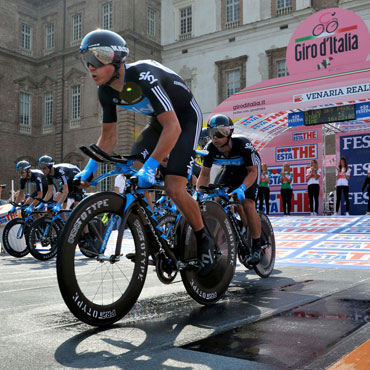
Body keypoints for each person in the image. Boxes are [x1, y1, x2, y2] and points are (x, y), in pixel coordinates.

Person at [75, 29, 214, 276]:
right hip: (159, 122)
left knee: (173, 187)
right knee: (134, 168)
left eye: (96, 60)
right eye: (87, 62)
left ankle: (204, 240)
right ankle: (151, 239)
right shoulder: (105, 91)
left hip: (184, 119)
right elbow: (108, 138)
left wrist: (152, 167)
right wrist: (88, 170)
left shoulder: (143, 76)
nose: (91, 68)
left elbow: (173, 126)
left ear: (116, 59)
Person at [197, 114, 262, 265]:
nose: (216, 137)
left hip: (248, 171)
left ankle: (257, 246)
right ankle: (232, 229)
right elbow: (204, 174)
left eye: (221, 132)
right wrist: (198, 193)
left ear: (230, 133)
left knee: (247, 203)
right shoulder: (210, 148)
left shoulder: (242, 144)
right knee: (217, 200)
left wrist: (243, 187)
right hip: (229, 170)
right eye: (212, 133)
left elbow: (253, 171)